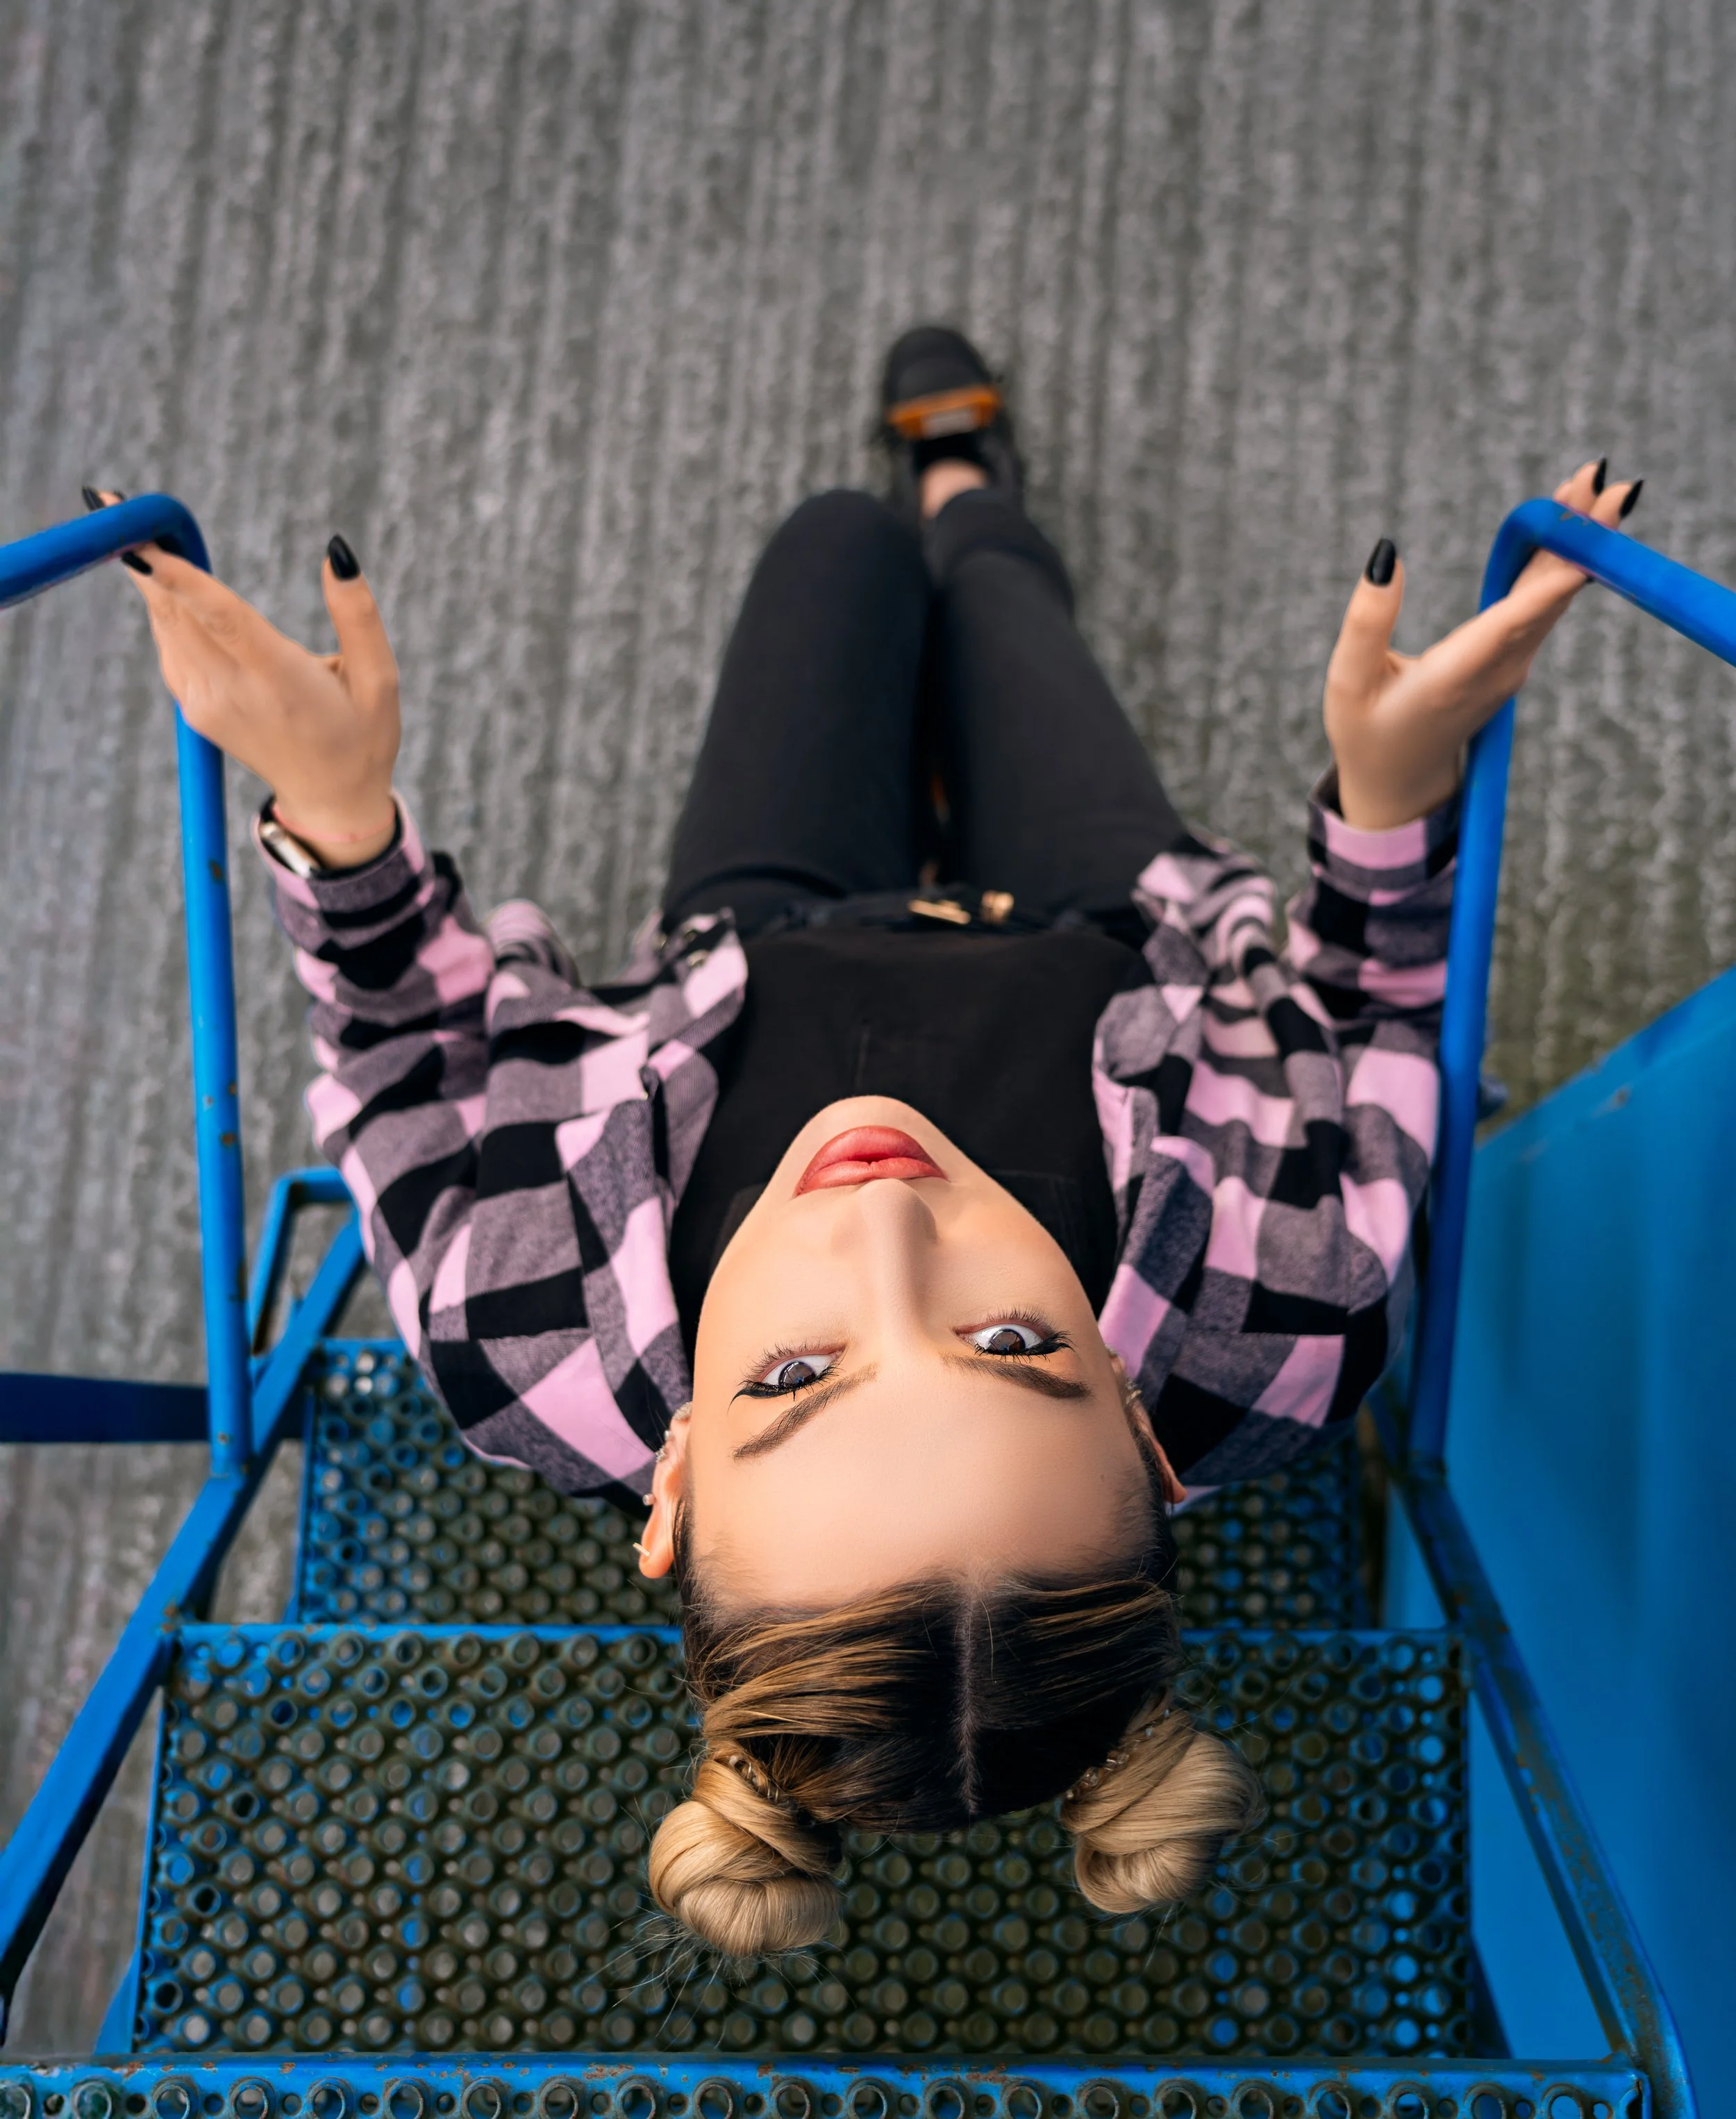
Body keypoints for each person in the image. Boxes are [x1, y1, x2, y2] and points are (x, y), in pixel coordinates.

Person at [97, 327, 1641, 1958]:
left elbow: (401, 1048)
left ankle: (919, 525)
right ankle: (970, 490)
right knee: (987, 591)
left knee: (831, 548)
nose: (885, 1221)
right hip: (1096, 925)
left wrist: (340, 826)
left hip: (760, 940)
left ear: (671, 1481)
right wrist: (1387, 808)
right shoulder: (1296, 1318)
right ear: (1149, 1436)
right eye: (1007, 1341)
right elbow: (1366, 1009)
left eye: (787, 1378)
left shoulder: (516, 1338)